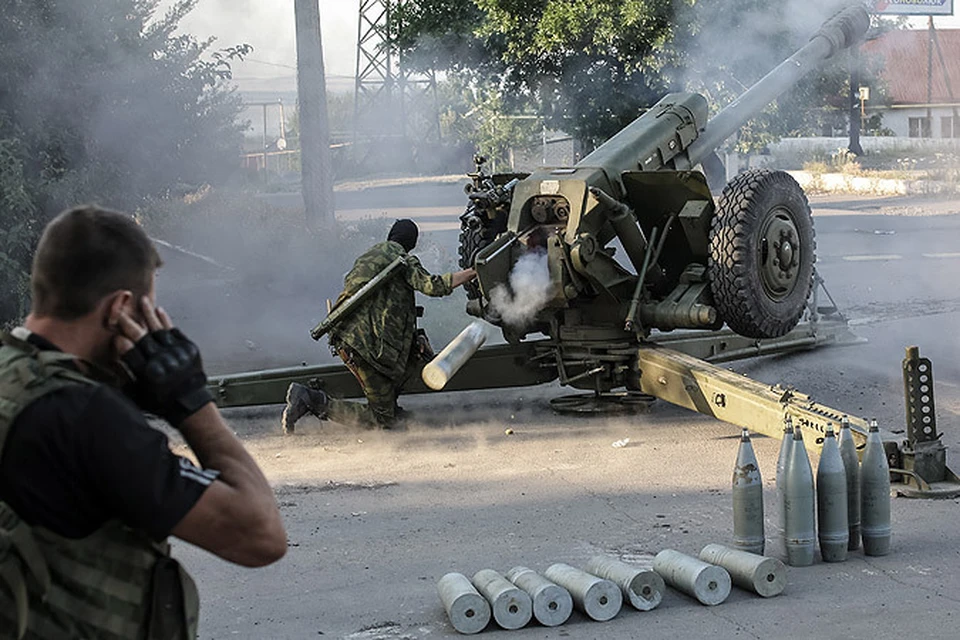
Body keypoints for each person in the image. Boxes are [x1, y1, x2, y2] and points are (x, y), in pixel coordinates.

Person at [0, 206, 286, 639]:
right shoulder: (87, 418)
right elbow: (260, 535)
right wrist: (190, 402)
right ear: (120, 309)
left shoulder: (15, 381)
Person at [282, 219, 476, 433]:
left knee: (402, 374)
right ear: (412, 243)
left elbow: (383, 306)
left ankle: (391, 407)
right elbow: (433, 286)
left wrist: (414, 338)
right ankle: (311, 400)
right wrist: (473, 271)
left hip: (350, 339)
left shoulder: (368, 257)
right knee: (383, 420)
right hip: (367, 348)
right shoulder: (402, 261)